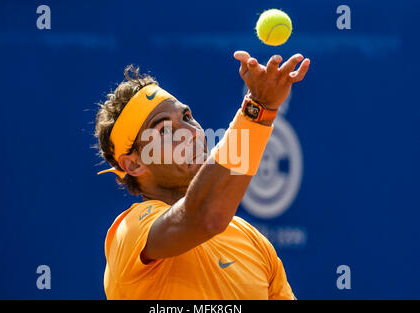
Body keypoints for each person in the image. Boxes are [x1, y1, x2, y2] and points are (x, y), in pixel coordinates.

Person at [94, 50, 310, 299]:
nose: (191, 133)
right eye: (164, 130)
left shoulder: (252, 241)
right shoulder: (130, 234)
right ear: (133, 165)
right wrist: (258, 111)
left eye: (187, 117)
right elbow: (203, 217)